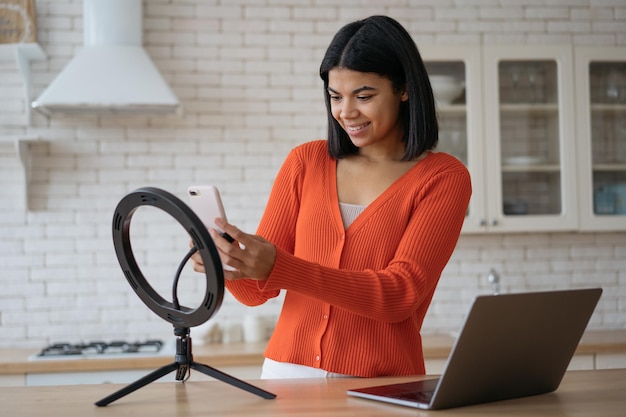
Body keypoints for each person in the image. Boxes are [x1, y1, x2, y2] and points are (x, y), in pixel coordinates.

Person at [191, 15, 471, 379]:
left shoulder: (443, 177)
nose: (346, 112)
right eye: (335, 97)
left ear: (403, 89)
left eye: (364, 96)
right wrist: (227, 265)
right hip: (287, 374)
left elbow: (400, 294)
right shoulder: (305, 162)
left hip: (383, 382)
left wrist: (281, 266)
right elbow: (258, 292)